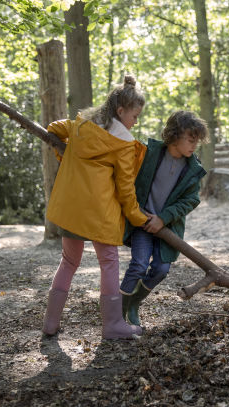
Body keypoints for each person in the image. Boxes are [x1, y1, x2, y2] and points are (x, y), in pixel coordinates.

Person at [42, 75, 151, 340]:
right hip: (99, 214)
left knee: (69, 261)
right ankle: (112, 324)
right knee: (109, 262)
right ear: (121, 111)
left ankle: (50, 323)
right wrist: (138, 217)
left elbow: (54, 129)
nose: (135, 122)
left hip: (71, 209)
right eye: (135, 116)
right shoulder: (123, 144)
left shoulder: (81, 125)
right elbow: (125, 190)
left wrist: (65, 153)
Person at [120, 110, 208, 327]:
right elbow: (127, 177)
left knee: (161, 269)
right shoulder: (149, 152)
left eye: (196, 141)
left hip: (168, 228)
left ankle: (133, 304)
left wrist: (164, 218)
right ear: (174, 135)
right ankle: (116, 313)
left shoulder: (193, 168)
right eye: (190, 139)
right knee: (139, 265)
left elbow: (191, 200)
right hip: (141, 222)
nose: (193, 145)